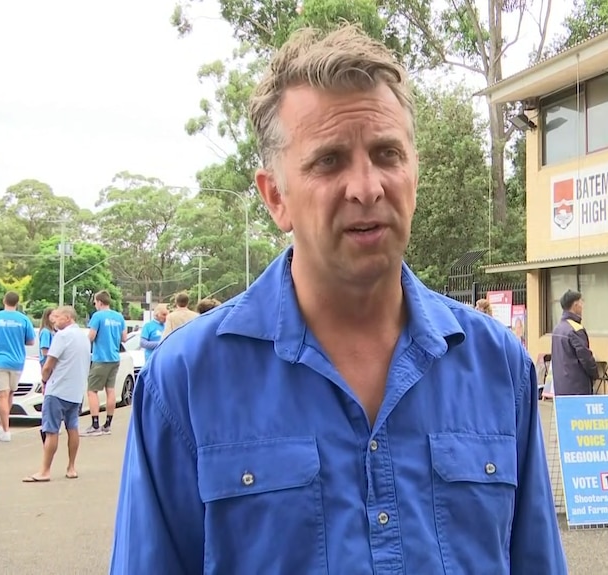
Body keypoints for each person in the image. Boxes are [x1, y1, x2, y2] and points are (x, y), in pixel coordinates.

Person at [110, 25, 566, 574]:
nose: (367, 187)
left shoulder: (499, 367)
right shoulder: (186, 381)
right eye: (328, 161)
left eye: (386, 153)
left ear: (414, 174)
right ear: (276, 197)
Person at [23, 306, 91, 482]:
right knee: (72, 427)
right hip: (76, 390)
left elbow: (49, 363)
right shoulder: (83, 337)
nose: (54, 320)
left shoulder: (62, 336)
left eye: (57, 317)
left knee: (51, 430)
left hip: (58, 389)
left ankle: (45, 470)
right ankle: (71, 466)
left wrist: (44, 380)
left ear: (68, 317)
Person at [0, 291, 36, 442]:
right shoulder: (24, 320)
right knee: (10, 394)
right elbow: (31, 341)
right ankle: (1, 424)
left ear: (4, 301)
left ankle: (6, 430)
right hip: (17, 361)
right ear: (18, 302)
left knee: (1, 395)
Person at [84, 290, 126, 437]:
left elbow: (91, 336)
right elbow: (124, 338)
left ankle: (95, 424)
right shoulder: (119, 317)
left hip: (100, 358)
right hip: (114, 358)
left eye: (95, 302)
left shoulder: (97, 316)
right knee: (110, 390)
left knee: (92, 391)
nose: (95, 305)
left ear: (100, 302)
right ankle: (107, 424)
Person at [551, 290, 598, 396]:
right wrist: (595, 373)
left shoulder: (557, 328)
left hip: (560, 386)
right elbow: (586, 357)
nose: (582, 306)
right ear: (575, 305)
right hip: (577, 386)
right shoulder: (576, 329)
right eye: (581, 303)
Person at [37, 307, 58, 444]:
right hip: (48, 365)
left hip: (53, 366)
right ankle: (46, 424)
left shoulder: (54, 332)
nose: (55, 318)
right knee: (48, 394)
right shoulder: (46, 332)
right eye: (53, 316)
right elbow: (45, 351)